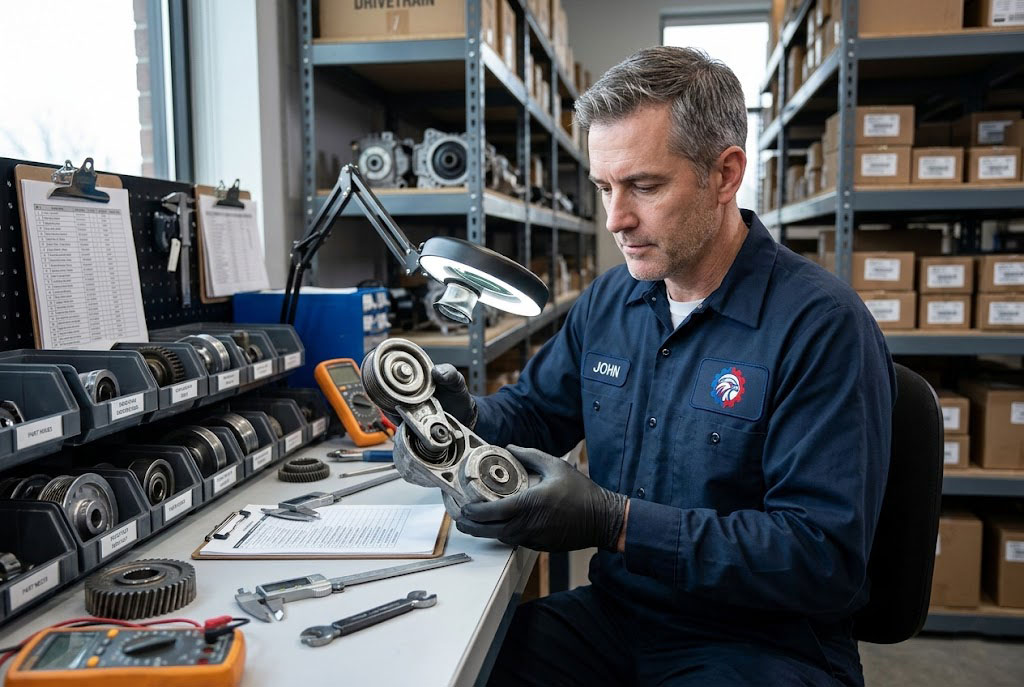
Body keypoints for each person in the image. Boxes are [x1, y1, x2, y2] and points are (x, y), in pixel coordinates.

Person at [430, 46, 894, 686]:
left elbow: (818, 557)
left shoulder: (820, 327)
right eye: (604, 188)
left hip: (762, 644)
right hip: (622, 617)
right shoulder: (612, 301)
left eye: (644, 186)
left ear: (725, 175)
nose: (617, 220)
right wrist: (454, 421)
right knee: (466, 669)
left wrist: (613, 522)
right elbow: (537, 411)